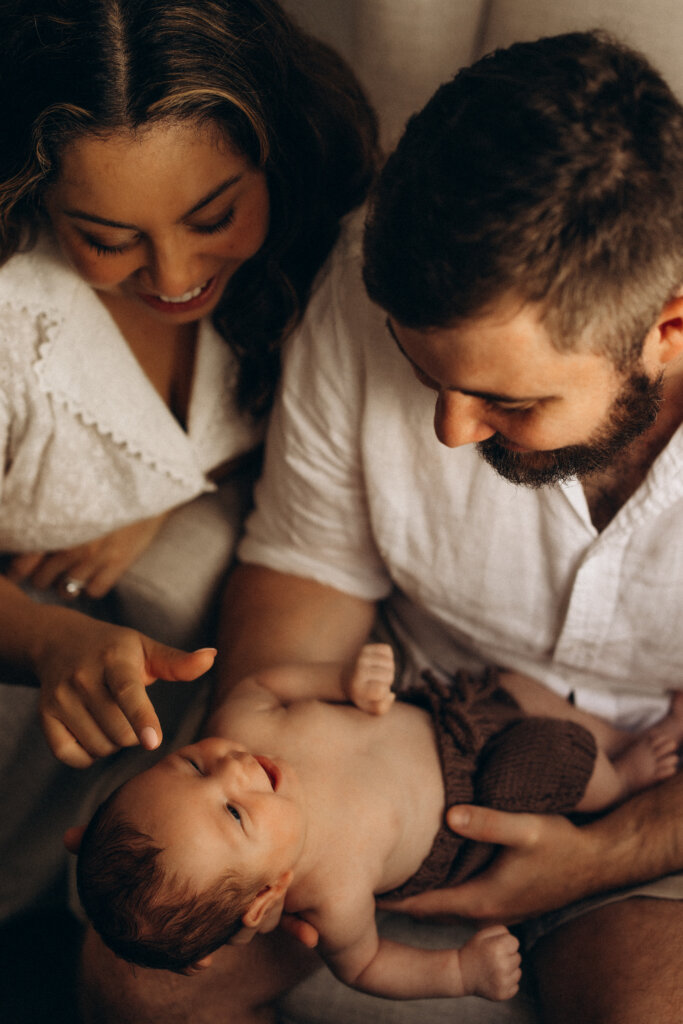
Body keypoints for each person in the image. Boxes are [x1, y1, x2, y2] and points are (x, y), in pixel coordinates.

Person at [78, 28, 683, 1024]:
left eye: (507, 401)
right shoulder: (369, 279)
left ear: (664, 331)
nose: (448, 431)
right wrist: (246, 816)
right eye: (424, 379)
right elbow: (306, 572)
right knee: (134, 980)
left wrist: (604, 852)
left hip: (646, 809)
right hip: (399, 730)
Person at [0, 0, 377, 927]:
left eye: (213, 215)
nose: (172, 275)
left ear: (273, 158)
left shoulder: (312, 245)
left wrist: (163, 493)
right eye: (107, 238)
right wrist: (48, 640)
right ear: (32, 198)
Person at [75, 643, 683, 1006]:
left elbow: (262, 682)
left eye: (187, 765)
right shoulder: (331, 898)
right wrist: (460, 971)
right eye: (234, 813)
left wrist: (341, 682)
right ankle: (623, 777)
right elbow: (366, 966)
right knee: (558, 759)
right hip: (483, 805)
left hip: (456, 713)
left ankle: (628, 739)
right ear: (267, 897)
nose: (230, 768)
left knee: (520, 687)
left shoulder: (245, 724)